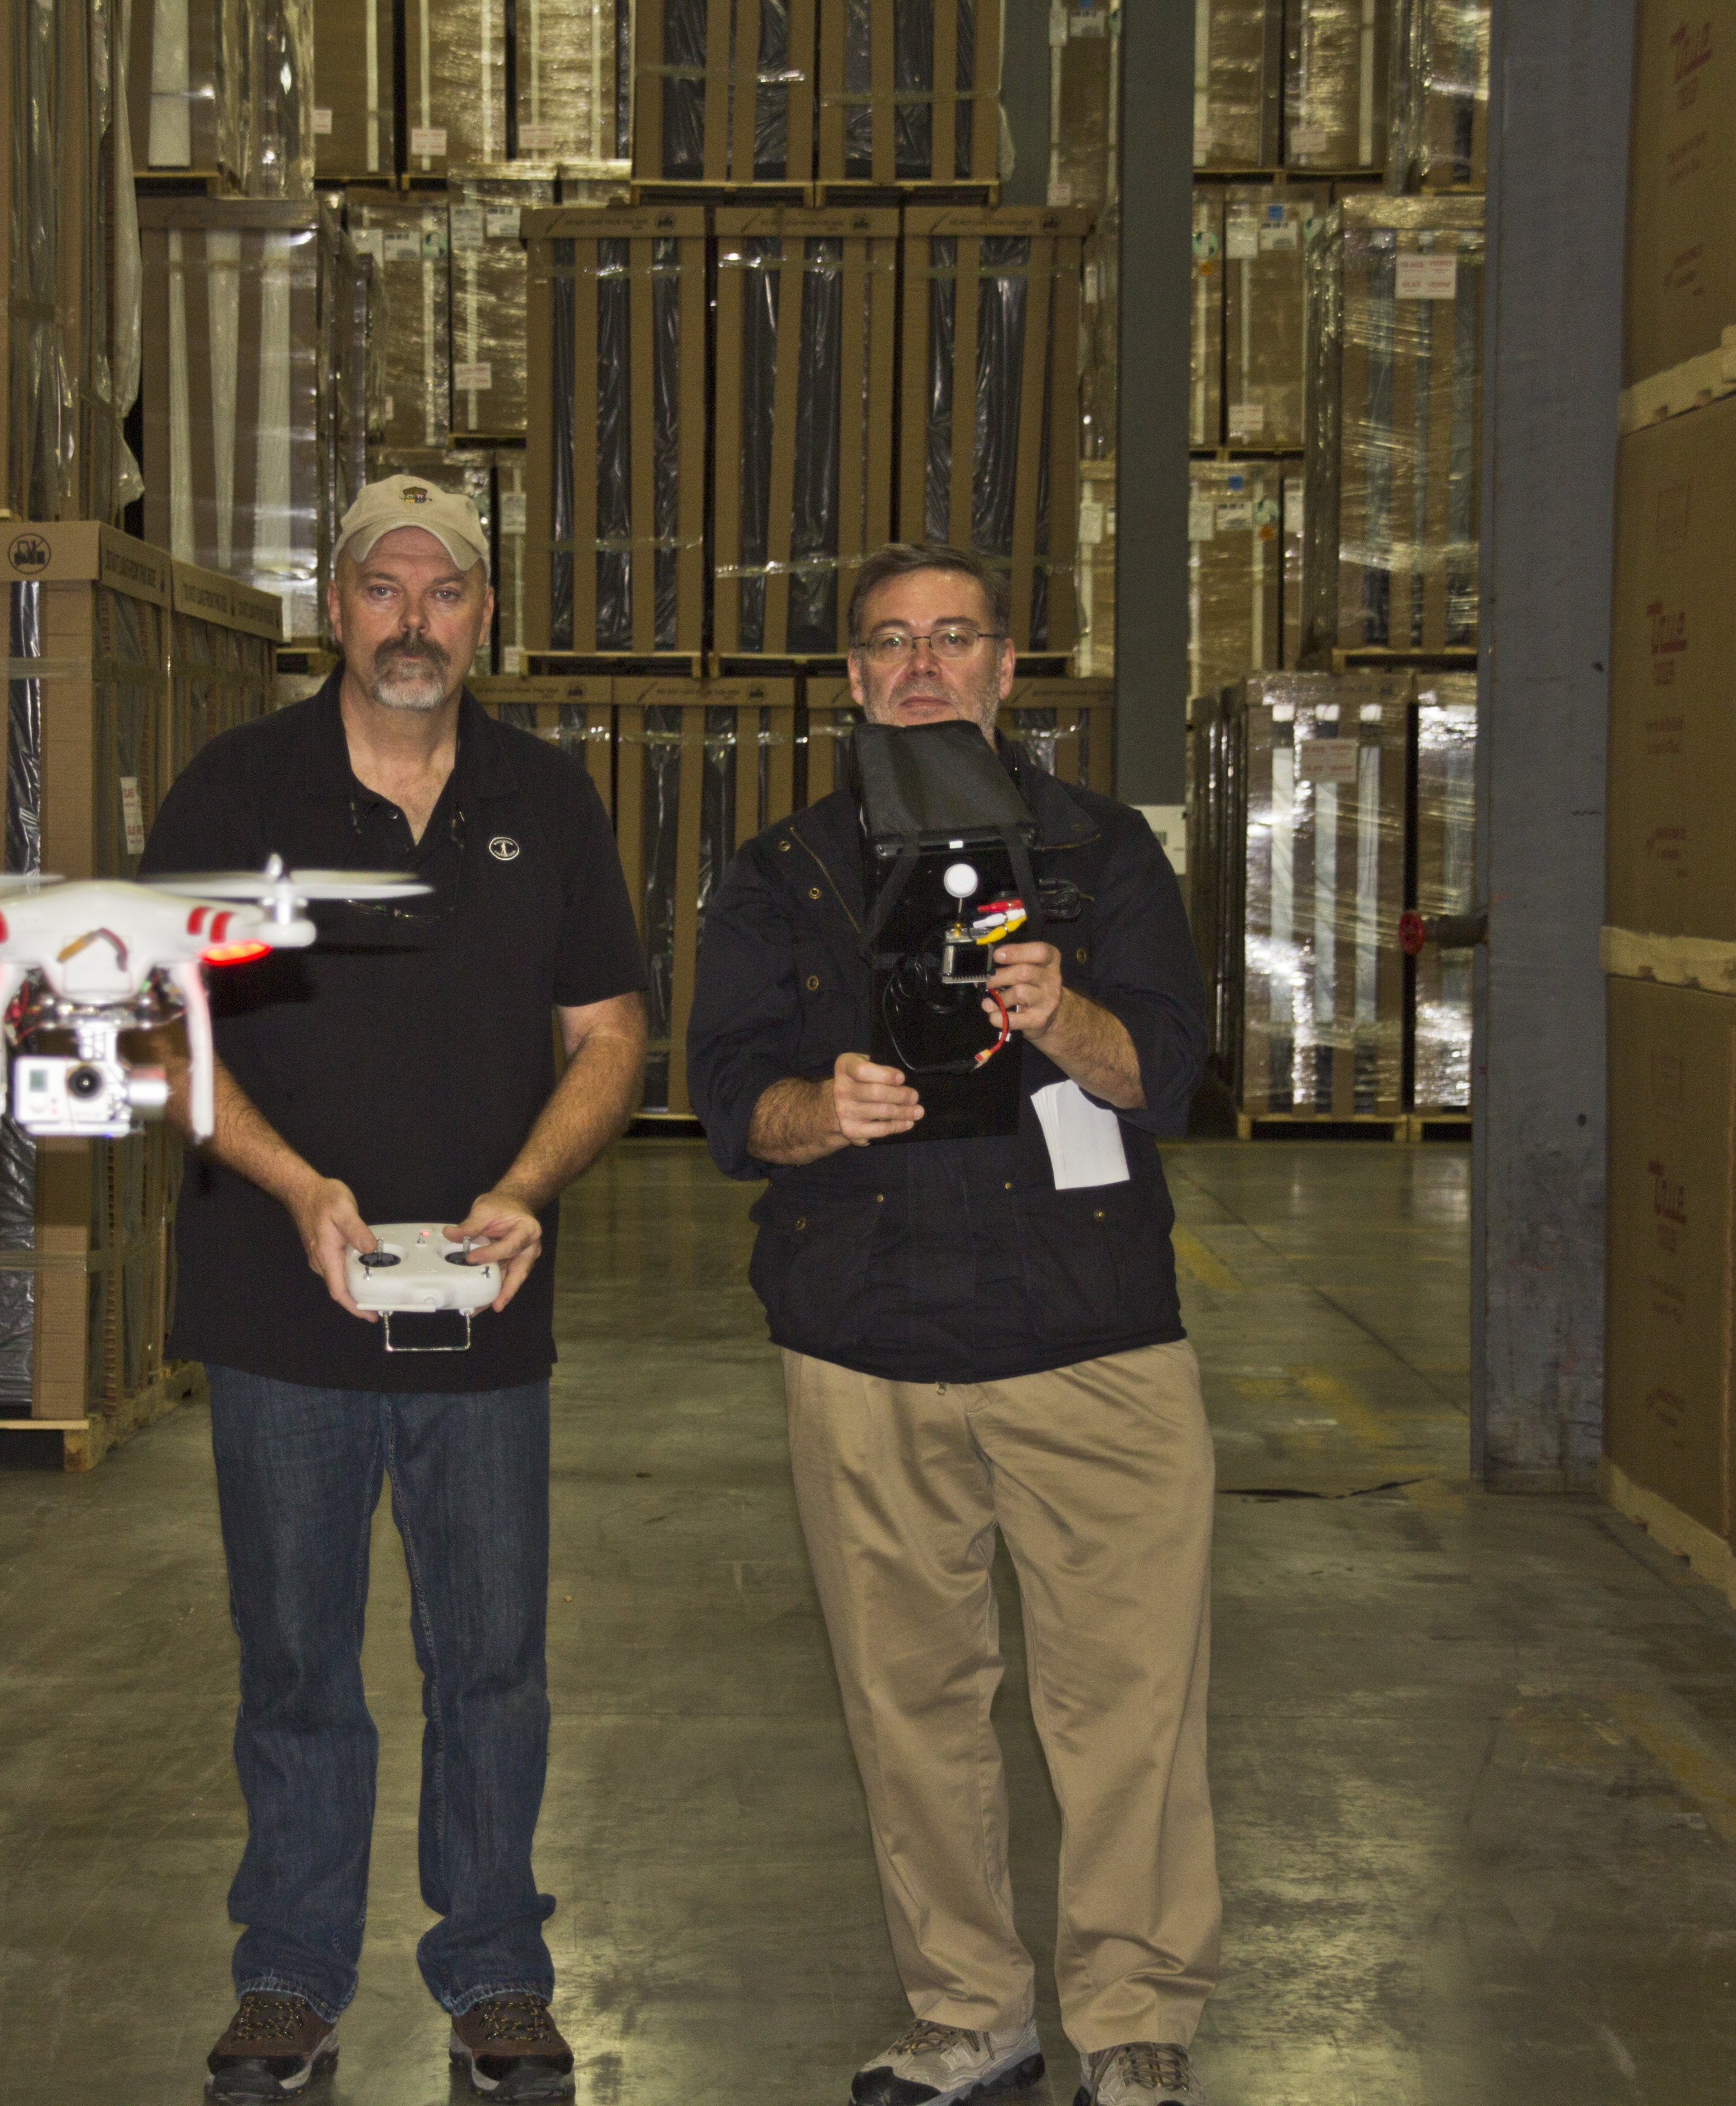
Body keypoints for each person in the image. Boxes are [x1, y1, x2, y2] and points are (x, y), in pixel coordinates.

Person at [685, 545, 1219, 2106]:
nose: (922, 667)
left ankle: (1135, 2016)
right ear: (854, 678)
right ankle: (969, 2008)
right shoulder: (781, 872)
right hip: (867, 1345)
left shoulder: (1104, 853)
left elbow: (1168, 1072)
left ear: (1004, 668)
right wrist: (821, 1108)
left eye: (954, 638)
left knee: (1129, 1700)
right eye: (891, 643)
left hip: (1091, 1339)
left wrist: (1064, 1014)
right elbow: (726, 1095)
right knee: (906, 1702)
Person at [143, 475, 646, 2104]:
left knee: (490, 1662)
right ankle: (289, 1976)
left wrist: (524, 1191)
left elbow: (609, 1036)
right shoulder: (238, 791)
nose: (413, 620)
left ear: (485, 614)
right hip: (281, 1309)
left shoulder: (545, 803)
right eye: (384, 587)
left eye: (445, 591)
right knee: (297, 1662)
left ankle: (494, 1970)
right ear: (335, 608)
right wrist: (297, 1188)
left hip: (480, 1312)